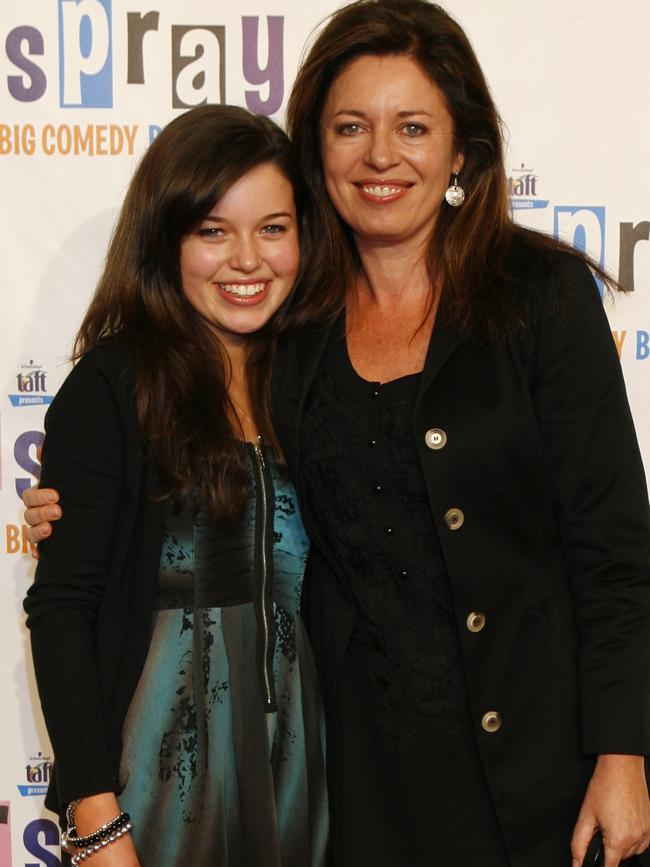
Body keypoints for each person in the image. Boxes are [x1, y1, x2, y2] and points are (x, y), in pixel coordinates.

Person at [24, 1, 650, 865]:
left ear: (461, 149)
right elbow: (186, 490)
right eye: (351, 126)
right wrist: (76, 507)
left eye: (413, 126)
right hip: (356, 790)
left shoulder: (539, 298)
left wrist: (624, 752)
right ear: (318, 148)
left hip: (544, 766)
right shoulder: (295, 326)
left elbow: (613, 549)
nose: (381, 155)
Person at [22, 104, 328, 867]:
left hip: (306, 773)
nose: (247, 259)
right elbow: (62, 608)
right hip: (160, 780)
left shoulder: (315, 381)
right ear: (168, 239)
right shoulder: (115, 385)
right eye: (213, 231)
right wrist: (96, 817)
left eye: (274, 228)